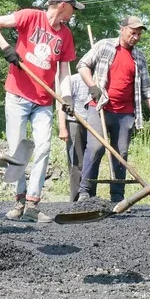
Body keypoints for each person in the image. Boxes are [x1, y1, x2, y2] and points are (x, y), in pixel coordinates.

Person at [0, 0, 79, 222]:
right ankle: (19, 201)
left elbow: (64, 70)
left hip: (44, 102)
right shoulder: (30, 16)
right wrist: (7, 49)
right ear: (63, 5)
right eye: (73, 8)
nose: (73, 14)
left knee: (43, 147)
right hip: (17, 96)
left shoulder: (65, 34)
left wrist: (66, 98)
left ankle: (33, 205)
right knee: (17, 150)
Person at [76, 16, 150, 204]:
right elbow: (82, 65)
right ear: (122, 29)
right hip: (100, 107)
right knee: (96, 148)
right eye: (133, 33)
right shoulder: (104, 46)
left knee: (121, 153)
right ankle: (85, 192)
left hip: (125, 113)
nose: (136, 37)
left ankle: (117, 197)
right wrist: (92, 86)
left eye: (139, 34)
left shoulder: (139, 56)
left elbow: (147, 86)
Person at [57, 72, 91, 202]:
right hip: (74, 122)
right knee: (76, 161)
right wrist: (62, 128)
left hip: (93, 124)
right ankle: (76, 198)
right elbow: (62, 105)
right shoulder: (74, 80)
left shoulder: (100, 78)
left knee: (91, 160)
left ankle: (88, 195)